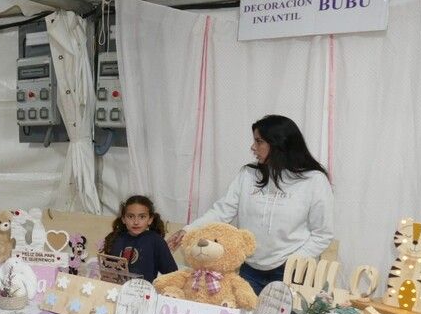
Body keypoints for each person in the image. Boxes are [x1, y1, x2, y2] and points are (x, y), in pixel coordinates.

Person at [168, 114, 333, 295]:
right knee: (246, 312)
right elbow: (222, 211)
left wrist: (293, 262)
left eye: (259, 141)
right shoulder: (248, 174)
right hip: (250, 269)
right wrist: (189, 230)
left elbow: (322, 234)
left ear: (279, 143)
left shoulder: (314, 180)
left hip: (291, 273)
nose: (253, 147)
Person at [102, 195, 178, 280]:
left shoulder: (156, 241)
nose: (136, 222)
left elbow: (172, 275)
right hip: (116, 287)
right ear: (123, 219)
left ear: (150, 219)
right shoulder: (115, 238)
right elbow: (107, 271)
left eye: (142, 217)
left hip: (144, 288)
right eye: (130, 216)